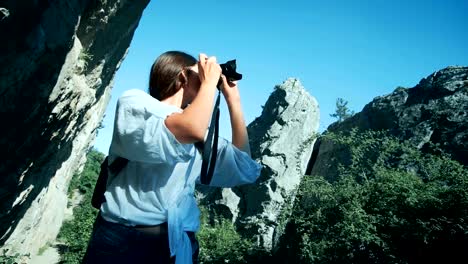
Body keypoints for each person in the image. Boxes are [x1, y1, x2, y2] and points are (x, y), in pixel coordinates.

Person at [82, 51, 262, 264]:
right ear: (182, 76)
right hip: (123, 242)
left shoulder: (200, 137)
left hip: (177, 244)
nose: (206, 78)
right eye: (199, 72)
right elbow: (189, 128)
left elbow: (245, 169)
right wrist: (209, 84)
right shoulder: (136, 104)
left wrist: (234, 100)